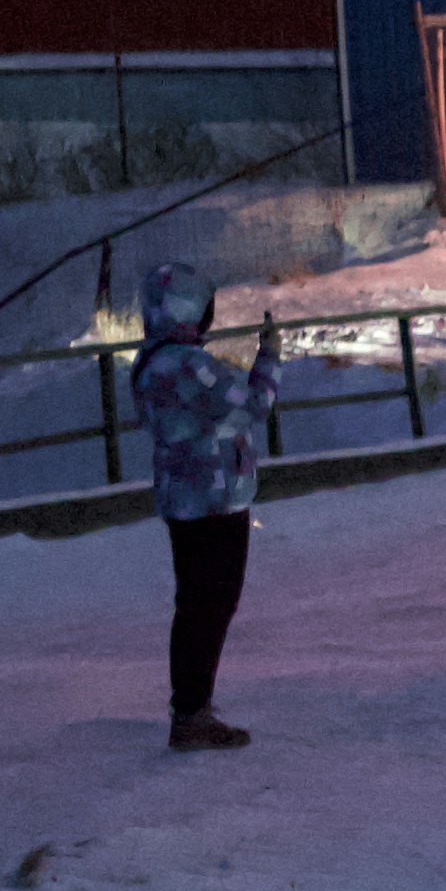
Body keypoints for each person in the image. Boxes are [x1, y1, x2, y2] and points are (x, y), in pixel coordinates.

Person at [134, 257, 263, 749]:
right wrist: (269, 359)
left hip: (180, 499)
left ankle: (188, 710)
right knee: (213, 603)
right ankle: (192, 714)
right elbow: (252, 406)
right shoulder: (191, 364)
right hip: (215, 498)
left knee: (193, 603)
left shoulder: (149, 364)